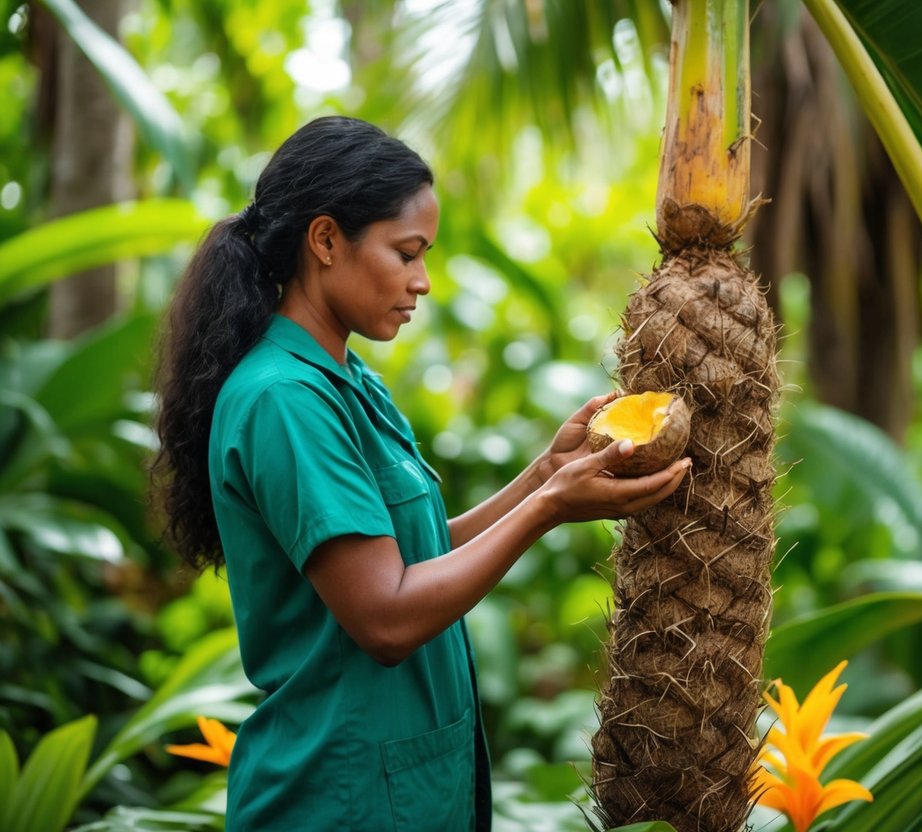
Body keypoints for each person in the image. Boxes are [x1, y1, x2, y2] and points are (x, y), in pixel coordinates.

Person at [151, 115, 689, 831]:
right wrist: (549, 508)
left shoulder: (347, 380)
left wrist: (542, 475)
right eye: (406, 253)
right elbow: (385, 617)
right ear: (324, 240)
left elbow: (415, 552)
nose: (423, 281)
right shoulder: (284, 399)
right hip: (337, 797)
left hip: (405, 786)